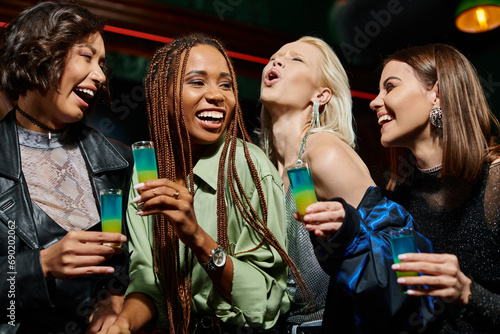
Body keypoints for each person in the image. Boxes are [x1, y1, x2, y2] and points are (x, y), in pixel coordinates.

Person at [100, 33, 301, 334]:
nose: (217, 95)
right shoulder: (147, 176)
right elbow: (149, 286)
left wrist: (196, 236)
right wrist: (123, 325)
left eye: (226, 85)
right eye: (197, 82)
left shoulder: (249, 165)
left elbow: (268, 300)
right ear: (162, 95)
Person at [259, 36, 435, 333]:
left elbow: (395, 256)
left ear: (321, 95)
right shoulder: (263, 165)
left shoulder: (325, 153)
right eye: (275, 55)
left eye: (295, 59)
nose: (276, 61)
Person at [0, 2, 134, 333]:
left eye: (102, 64)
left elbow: (133, 265)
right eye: (87, 57)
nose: (101, 75)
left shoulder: (118, 162)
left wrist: (115, 299)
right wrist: (39, 266)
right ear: (38, 54)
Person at [370, 43, 500, 333]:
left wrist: (468, 292)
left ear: (437, 94)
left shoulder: (495, 184)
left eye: (390, 87)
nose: (374, 102)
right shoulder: (397, 199)